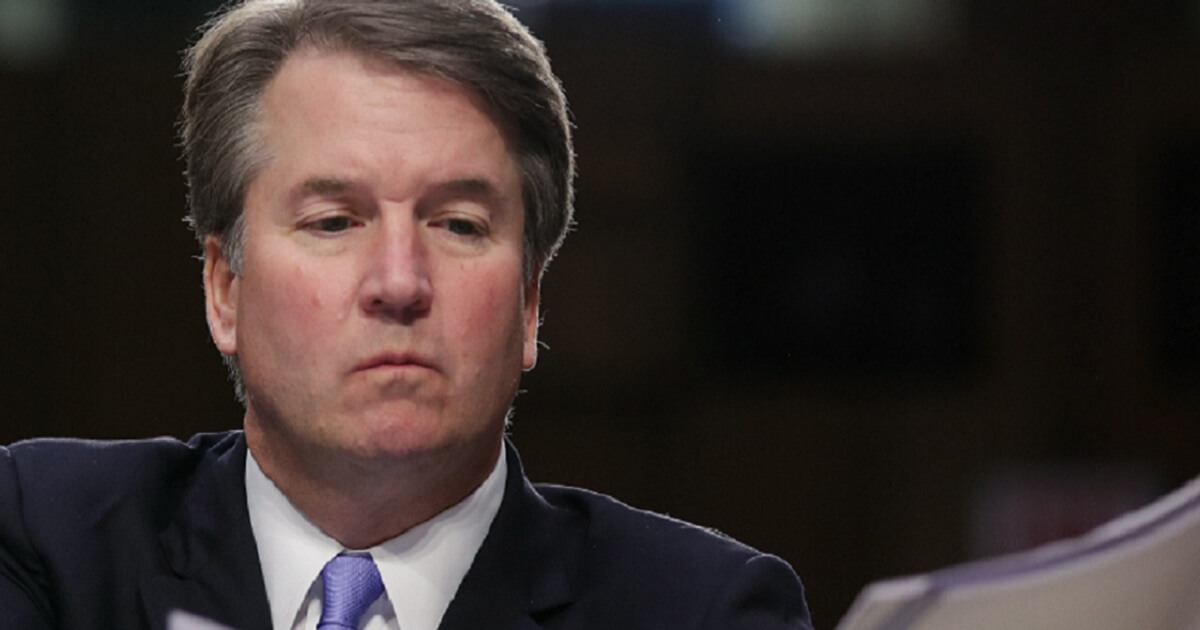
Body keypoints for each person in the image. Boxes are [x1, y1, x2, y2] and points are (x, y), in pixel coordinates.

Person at [0, 1, 813, 628]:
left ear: (530, 301)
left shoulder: (697, 611)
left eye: (458, 224)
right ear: (224, 288)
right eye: (334, 222)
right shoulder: (51, 543)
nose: (399, 281)